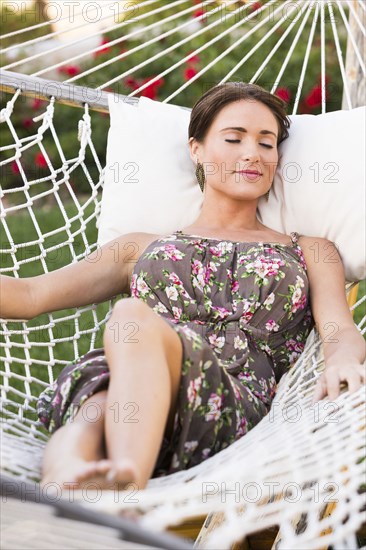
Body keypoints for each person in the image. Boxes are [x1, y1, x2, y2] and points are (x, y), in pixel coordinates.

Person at [2, 82, 365, 496]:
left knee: (130, 316)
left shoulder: (310, 250)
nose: (253, 154)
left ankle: (124, 486)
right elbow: (31, 296)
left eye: (267, 144)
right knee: (95, 407)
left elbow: (339, 331)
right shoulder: (139, 246)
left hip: (227, 408)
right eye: (234, 138)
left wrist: (343, 361)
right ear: (196, 150)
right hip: (130, 390)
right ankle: (63, 487)